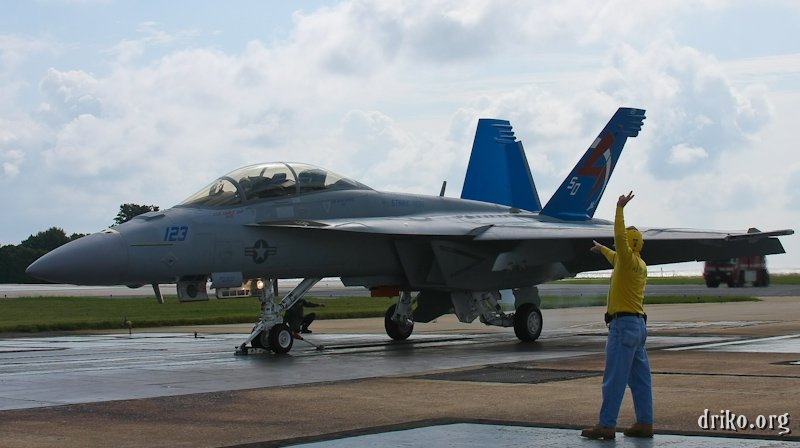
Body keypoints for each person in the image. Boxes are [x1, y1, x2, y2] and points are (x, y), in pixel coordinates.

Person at [581, 191, 653, 440]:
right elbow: (617, 253)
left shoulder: (625, 257)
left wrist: (619, 208)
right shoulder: (639, 265)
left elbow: (619, 239)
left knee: (614, 380)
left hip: (622, 327)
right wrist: (602, 249)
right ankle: (645, 423)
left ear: (628, 244)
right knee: (641, 380)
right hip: (639, 327)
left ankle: (606, 425)